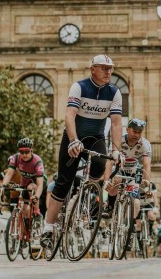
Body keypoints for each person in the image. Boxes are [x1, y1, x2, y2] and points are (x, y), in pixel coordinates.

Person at [41, 54, 123, 245]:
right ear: (92, 69)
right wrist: (73, 141)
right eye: (104, 68)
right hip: (74, 136)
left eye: (110, 68)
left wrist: (117, 149)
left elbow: (117, 124)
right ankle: (48, 228)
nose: (108, 71)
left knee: (100, 165)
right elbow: (69, 116)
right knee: (63, 182)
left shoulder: (114, 92)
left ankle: (86, 193)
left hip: (96, 137)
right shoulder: (79, 86)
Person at [103, 118, 153, 225]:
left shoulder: (145, 144)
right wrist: (107, 180)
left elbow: (146, 165)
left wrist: (147, 182)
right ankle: (110, 207)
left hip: (134, 173)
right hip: (119, 169)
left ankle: (131, 225)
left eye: (139, 132)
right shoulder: (118, 141)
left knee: (136, 203)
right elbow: (109, 162)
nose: (137, 135)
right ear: (127, 130)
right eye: (134, 131)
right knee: (116, 180)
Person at [0, 138, 46, 218]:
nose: (24, 154)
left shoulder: (37, 161)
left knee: (31, 187)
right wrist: (3, 186)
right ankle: (24, 228)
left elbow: (40, 184)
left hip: (37, 181)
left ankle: (37, 213)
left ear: (31, 151)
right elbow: (9, 174)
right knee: (24, 209)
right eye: (21, 152)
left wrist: (36, 196)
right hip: (25, 181)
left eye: (27, 152)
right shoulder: (15, 158)